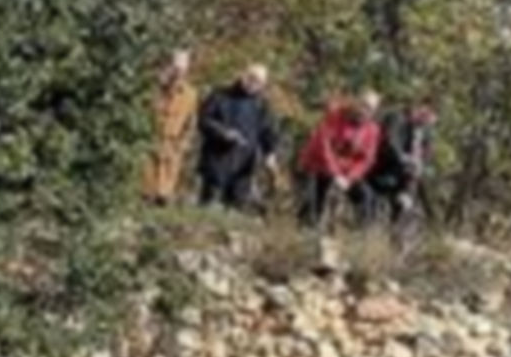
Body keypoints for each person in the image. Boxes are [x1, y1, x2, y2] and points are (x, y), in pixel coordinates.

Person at [197, 63, 278, 210]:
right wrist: (224, 133)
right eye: (252, 78)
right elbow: (204, 121)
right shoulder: (220, 95)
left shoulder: (261, 105)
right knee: (208, 207)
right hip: (216, 162)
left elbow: (267, 132)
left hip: (243, 168)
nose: (254, 84)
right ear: (243, 75)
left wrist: (270, 154)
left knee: (236, 210)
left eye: (259, 82)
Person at [297, 90, 382, 227]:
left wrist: (349, 178)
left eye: (370, 108)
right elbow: (323, 147)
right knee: (314, 205)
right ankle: (307, 229)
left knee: (365, 196)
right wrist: (335, 174)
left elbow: (366, 159)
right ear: (356, 102)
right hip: (318, 166)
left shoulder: (372, 130)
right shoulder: (335, 116)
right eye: (363, 105)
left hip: (346, 173)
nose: (365, 110)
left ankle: (360, 236)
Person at [142, 49, 198, 204]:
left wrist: (185, 141)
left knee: (165, 190)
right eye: (175, 68)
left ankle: (164, 197)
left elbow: (191, 121)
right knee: (147, 185)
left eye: (182, 69)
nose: (178, 73)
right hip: (151, 139)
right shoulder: (153, 88)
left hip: (173, 143)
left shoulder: (190, 94)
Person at [367, 103, 436, 221]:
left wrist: (421, 163)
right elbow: (391, 144)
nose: (426, 119)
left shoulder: (425, 130)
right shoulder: (399, 120)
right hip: (387, 165)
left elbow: (428, 150)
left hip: (409, 170)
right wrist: (405, 159)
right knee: (407, 180)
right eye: (424, 114)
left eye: (429, 118)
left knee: (420, 180)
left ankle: (427, 220)